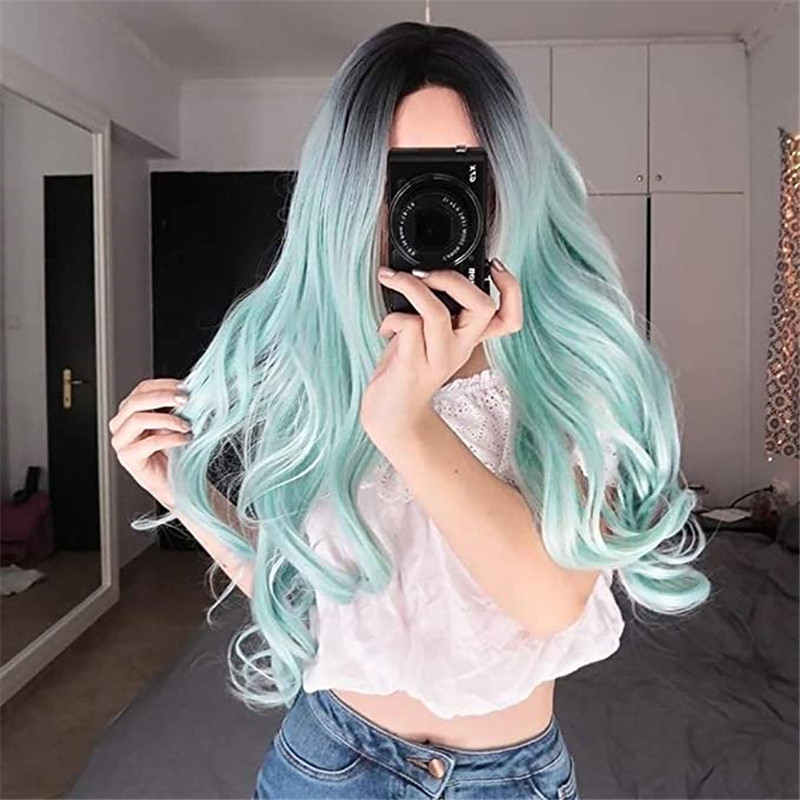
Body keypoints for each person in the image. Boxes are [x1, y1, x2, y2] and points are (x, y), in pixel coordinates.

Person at [108, 21, 709, 800]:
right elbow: (318, 602)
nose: (427, 205)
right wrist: (187, 493)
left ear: (511, 179)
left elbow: (550, 601)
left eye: (457, 173)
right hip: (325, 761)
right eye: (397, 176)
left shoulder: (571, 358)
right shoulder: (323, 363)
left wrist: (407, 424)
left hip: (508, 780)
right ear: (348, 190)